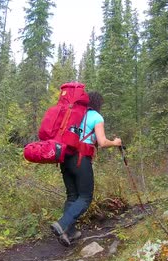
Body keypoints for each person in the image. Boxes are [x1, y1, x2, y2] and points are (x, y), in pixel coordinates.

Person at [50, 91, 122, 246]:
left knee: (72, 195)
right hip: (81, 159)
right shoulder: (96, 117)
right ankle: (62, 224)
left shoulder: (73, 115)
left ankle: (70, 233)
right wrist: (115, 143)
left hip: (65, 157)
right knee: (85, 197)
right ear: (98, 104)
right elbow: (102, 142)